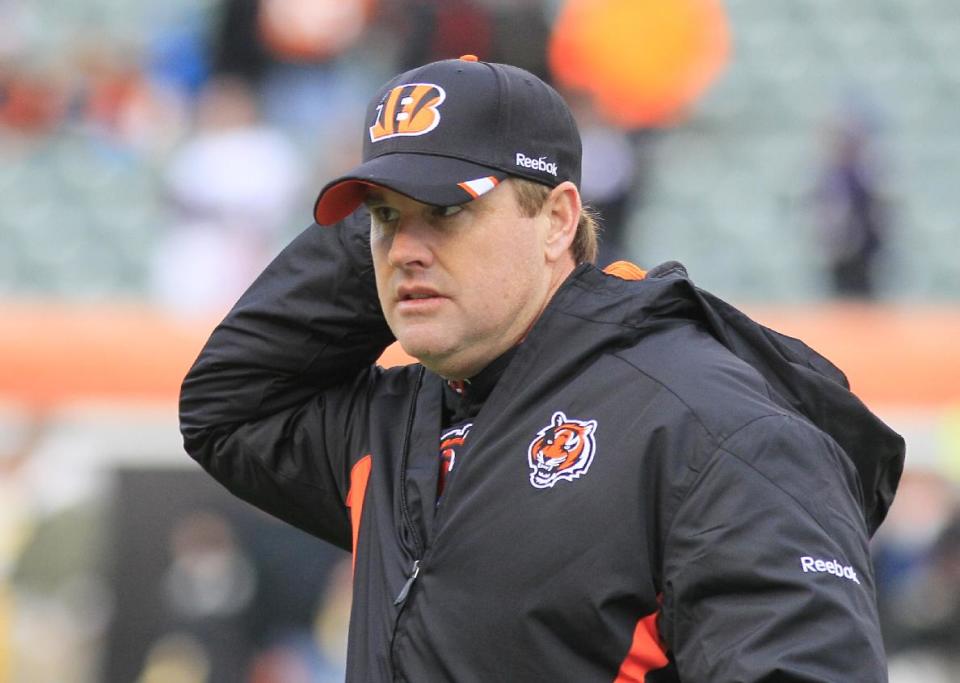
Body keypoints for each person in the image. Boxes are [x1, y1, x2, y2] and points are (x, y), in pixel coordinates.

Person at [180, 56, 905, 681]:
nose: (404, 249)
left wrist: (410, 200)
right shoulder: (404, 416)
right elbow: (228, 406)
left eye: (445, 210)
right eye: (384, 216)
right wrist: (406, 189)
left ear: (559, 220)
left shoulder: (709, 425)